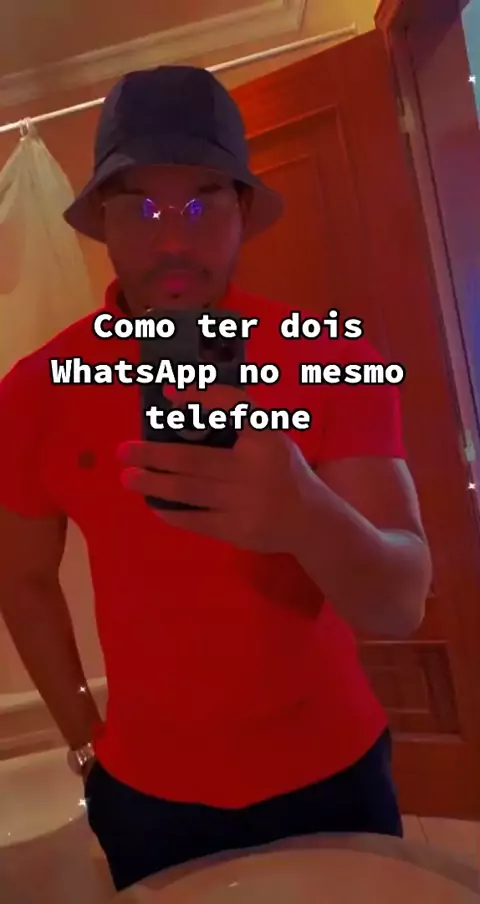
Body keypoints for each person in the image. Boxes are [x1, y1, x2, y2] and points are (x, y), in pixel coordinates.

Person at [0, 66, 432, 892]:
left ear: (243, 214)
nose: (172, 240)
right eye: (140, 206)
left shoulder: (330, 356)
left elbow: (400, 602)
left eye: (203, 204)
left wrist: (304, 513)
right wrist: (84, 739)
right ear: (100, 220)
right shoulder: (33, 393)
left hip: (331, 769)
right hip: (144, 791)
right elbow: (20, 579)